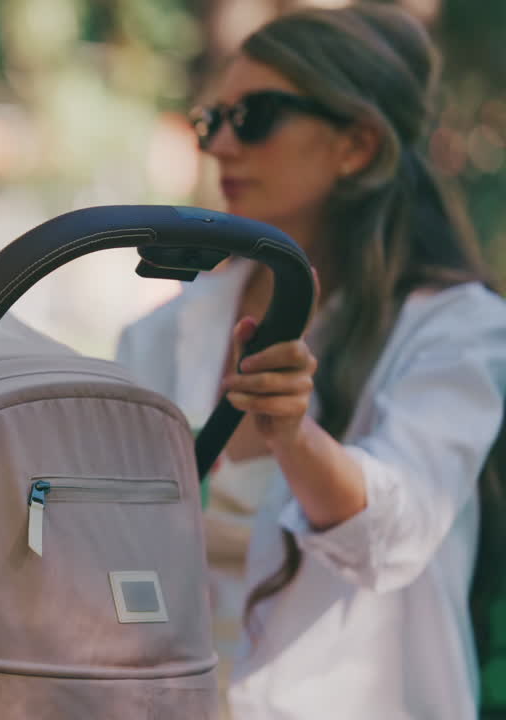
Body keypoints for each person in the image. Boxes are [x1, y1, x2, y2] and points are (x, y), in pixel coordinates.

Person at [116, 4, 506, 718]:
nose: (220, 146)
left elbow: (403, 528)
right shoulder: (164, 333)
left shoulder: (456, 329)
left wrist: (293, 439)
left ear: (356, 145)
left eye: (255, 116)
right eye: (211, 121)